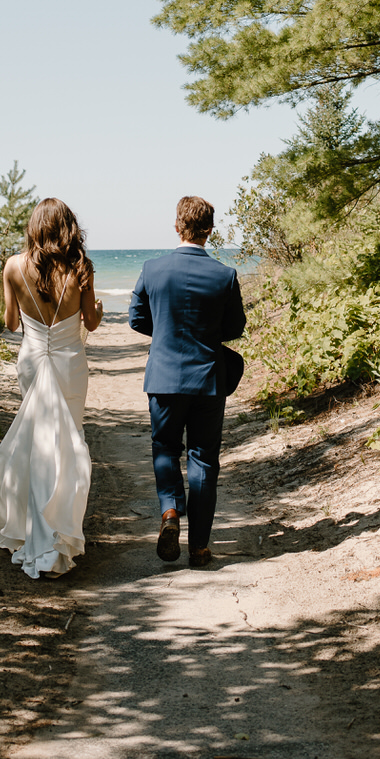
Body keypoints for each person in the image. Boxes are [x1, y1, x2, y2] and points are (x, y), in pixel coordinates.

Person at [0, 198, 103, 579]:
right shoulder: (81, 268)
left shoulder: (12, 266)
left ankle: (33, 529)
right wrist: (98, 312)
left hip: (31, 360)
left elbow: (11, 324)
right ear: (68, 227)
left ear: (34, 228)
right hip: (69, 364)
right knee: (66, 443)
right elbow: (90, 323)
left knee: (36, 444)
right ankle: (55, 532)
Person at [128, 195, 246, 568]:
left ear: (177, 226)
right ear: (210, 230)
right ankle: (199, 547)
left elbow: (136, 319)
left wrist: (164, 329)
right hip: (208, 378)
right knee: (203, 459)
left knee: (165, 447)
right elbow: (235, 328)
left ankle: (169, 514)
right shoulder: (225, 275)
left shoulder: (151, 269)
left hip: (163, 376)